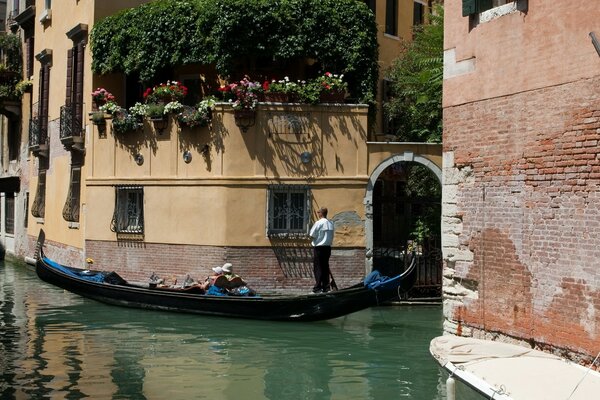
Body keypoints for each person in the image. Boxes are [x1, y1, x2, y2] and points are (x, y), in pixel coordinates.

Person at [309, 207, 334, 293]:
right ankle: (326, 287)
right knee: (325, 267)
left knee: (318, 268)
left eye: (318, 212)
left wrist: (312, 240)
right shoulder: (331, 223)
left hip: (319, 248)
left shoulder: (318, 223)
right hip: (328, 248)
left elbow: (311, 235)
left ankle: (317, 288)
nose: (317, 213)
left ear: (321, 213)